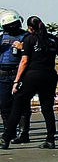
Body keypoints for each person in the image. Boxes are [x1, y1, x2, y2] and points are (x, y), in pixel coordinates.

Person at [1, 16, 58, 149]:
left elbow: (24, 61)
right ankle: (50, 139)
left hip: (33, 75)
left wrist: (17, 80)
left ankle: (5, 138)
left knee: (17, 107)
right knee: (47, 108)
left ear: (30, 28)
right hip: (49, 76)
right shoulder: (53, 39)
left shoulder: (29, 39)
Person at [0, 9, 31, 143]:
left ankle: (23, 133)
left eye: (14, 24)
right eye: (9, 25)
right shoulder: (2, 37)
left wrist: (22, 47)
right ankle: (9, 132)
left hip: (20, 74)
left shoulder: (26, 37)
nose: (11, 27)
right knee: (5, 105)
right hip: (3, 75)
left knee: (22, 105)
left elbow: (32, 52)